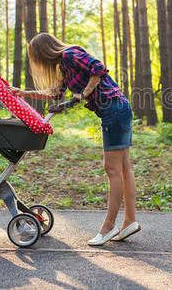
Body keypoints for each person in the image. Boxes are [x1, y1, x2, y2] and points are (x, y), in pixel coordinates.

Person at [8, 33, 140, 245]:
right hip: (118, 108)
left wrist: (85, 92)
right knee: (124, 168)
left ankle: (109, 226)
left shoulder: (70, 54)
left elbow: (99, 68)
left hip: (113, 110)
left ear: (43, 52)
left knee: (113, 169)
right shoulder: (64, 67)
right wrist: (24, 93)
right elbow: (55, 93)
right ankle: (130, 221)